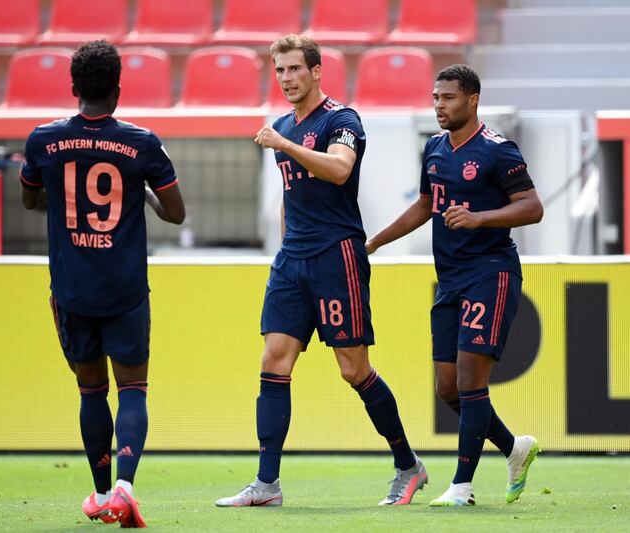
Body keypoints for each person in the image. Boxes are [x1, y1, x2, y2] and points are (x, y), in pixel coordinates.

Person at [216, 34, 426, 509]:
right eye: (280, 71)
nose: (287, 78)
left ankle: (408, 464)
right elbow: (293, 198)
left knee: (354, 369)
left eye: (294, 69)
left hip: (337, 257)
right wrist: (285, 248)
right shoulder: (282, 127)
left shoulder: (341, 120)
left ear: (316, 72)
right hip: (293, 260)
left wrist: (284, 143)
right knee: (274, 362)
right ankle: (266, 484)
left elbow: (338, 169)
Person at [19, 40, 185, 527]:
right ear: (117, 90)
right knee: (132, 387)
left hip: (72, 290)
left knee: (91, 391)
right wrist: (145, 195)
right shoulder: (142, 143)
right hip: (125, 289)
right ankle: (125, 489)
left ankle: (98, 495)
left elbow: (30, 202)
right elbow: (175, 214)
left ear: (73, 89)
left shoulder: (43, 141)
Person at [366, 64, 543, 507]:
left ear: (472, 99)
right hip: (449, 279)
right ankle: (514, 447)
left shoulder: (499, 150)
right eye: (435, 98)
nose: (439, 105)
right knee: (447, 387)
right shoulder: (433, 149)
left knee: (468, 378)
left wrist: (480, 217)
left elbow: (533, 207)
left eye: (447, 98)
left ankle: (461, 487)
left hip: (491, 271)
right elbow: (425, 205)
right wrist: (373, 243)